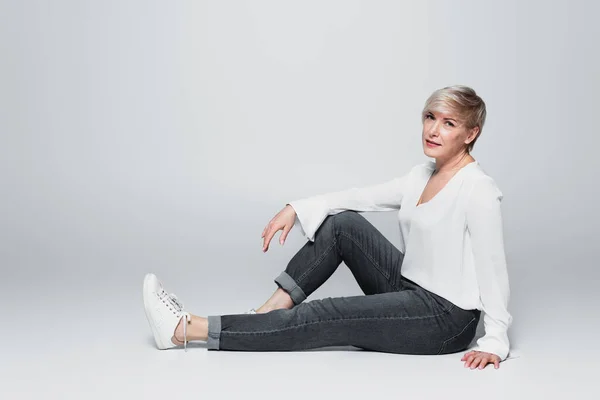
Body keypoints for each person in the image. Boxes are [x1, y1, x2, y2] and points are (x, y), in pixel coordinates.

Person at [142, 85, 513, 370]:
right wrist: (297, 207)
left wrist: (495, 340)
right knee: (342, 224)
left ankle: (184, 329)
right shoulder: (421, 175)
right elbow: (360, 197)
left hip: (444, 318)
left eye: (448, 123)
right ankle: (267, 316)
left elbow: (492, 269)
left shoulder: (478, 189)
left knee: (328, 313)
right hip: (411, 288)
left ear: (470, 134)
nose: (433, 130)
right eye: (430, 117)